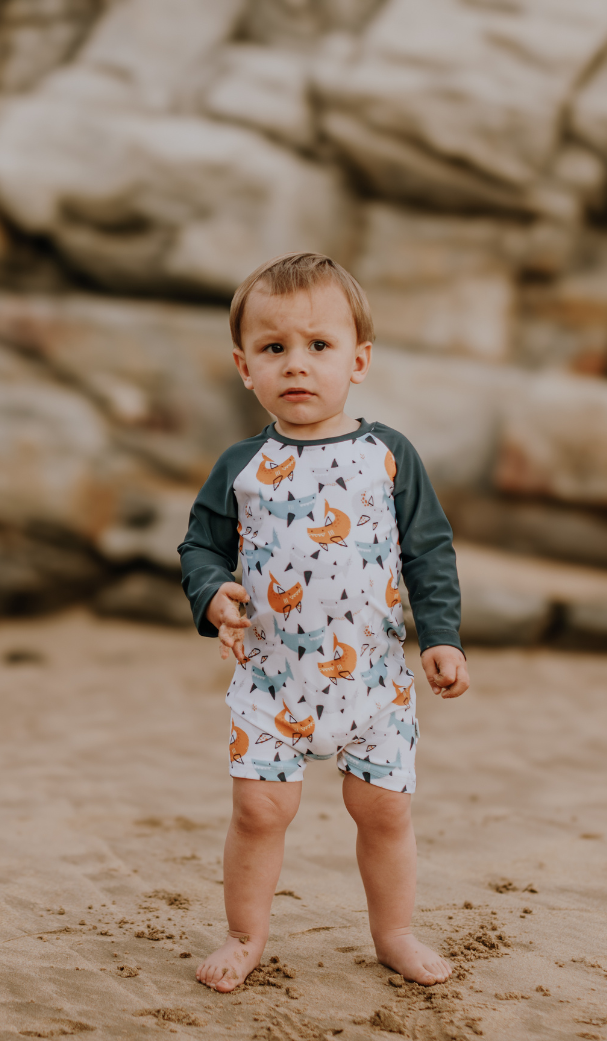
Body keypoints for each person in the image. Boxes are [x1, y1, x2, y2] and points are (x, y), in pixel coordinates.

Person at [179, 252, 469, 994]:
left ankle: (395, 933)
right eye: (274, 349)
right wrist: (213, 594)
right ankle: (246, 936)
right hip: (273, 683)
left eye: (319, 346)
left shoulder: (387, 455)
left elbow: (427, 550)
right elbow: (201, 546)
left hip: (371, 682)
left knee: (384, 813)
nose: (296, 365)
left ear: (359, 359)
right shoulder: (243, 464)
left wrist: (439, 636)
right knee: (259, 811)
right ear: (245, 367)